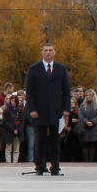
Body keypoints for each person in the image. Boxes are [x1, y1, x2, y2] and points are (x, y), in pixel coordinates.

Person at [24, 43, 70, 176]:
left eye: (50, 50)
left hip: (56, 110)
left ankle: (55, 167)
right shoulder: (34, 69)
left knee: (55, 140)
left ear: (54, 52)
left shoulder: (61, 68)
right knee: (40, 140)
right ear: (42, 53)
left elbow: (66, 90)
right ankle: (40, 166)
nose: (48, 52)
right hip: (39, 110)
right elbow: (29, 91)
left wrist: (66, 108)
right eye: (46, 50)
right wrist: (32, 109)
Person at [76, 89, 97, 161]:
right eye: (87, 95)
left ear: (93, 96)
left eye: (90, 95)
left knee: (92, 146)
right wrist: (86, 121)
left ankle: (91, 161)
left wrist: (92, 122)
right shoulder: (82, 105)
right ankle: (86, 161)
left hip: (94, 127)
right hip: (84, 127)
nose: (88, 96)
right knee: (85, 146)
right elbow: (80, 115)